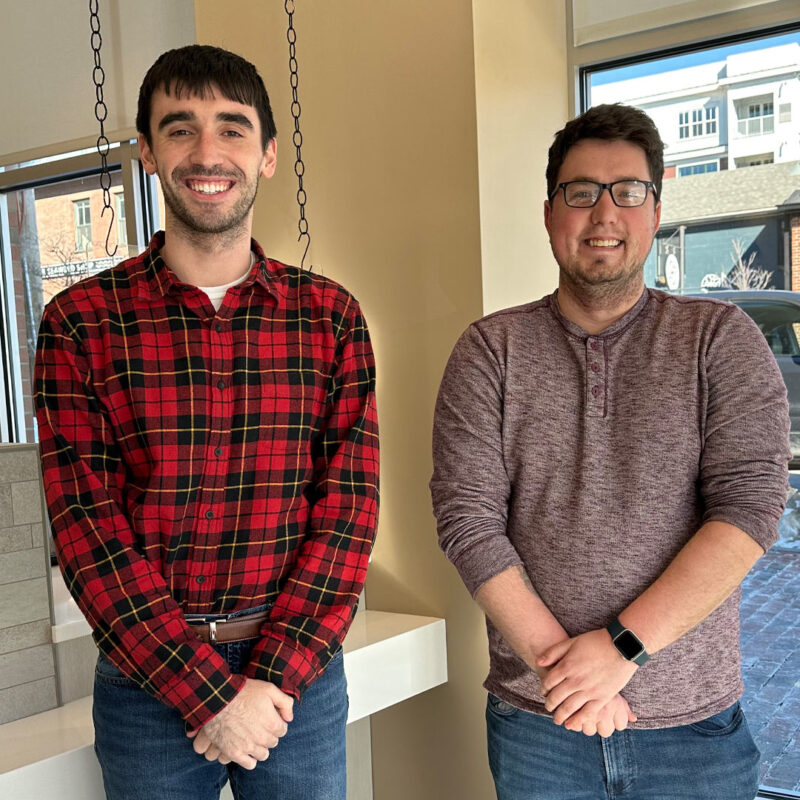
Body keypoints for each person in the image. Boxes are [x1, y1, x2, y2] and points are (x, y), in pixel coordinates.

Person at [34, 45, 378, 800]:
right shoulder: (81, 325)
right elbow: (87, 530)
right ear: (149, 153)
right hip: (145, 679)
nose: (207, 152)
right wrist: (207, 695)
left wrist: (273, 679)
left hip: (298, 679)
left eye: (231, 127)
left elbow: (348, 516)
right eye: (180, 128)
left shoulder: (330, 318)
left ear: (267, 156)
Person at [430, 103, 789, 800]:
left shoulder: (720, 340)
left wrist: (620, 649)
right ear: (548, 212)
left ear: (655, 210)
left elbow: (748, 511)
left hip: (692, 732)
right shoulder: (489, 352)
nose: (604, 214)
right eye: (581, 191)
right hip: (537, 725)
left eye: (628, 191)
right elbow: (467, 520)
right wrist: (570, 676)